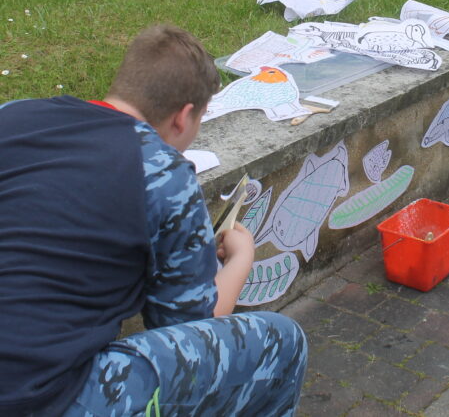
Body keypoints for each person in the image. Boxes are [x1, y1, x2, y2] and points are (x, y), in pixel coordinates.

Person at [0, 25, 307, 417]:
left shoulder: (13, 115)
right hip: (42, 397)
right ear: (183, 117)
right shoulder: (163, 173)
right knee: (283, 343)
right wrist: (242, 258)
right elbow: (191, 327)